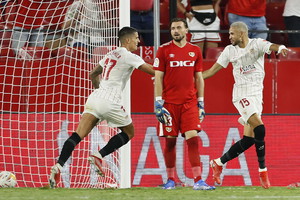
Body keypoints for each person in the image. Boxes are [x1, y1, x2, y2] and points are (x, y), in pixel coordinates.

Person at [48, 26, 155, 188]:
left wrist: (99, 91)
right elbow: (151, 71)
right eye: (136, 38)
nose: (138, 41)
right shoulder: (129, 56)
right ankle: (99, 155)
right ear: (127, 40)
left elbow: (93, 74)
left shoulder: (110, 54)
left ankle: (59, 165)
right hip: (110, 101)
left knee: (77, 135)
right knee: (129, 132)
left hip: (95, 98)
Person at [202, 21, 288, 189]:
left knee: (249, 139)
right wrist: (193, 79)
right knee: (261, 129)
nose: (229, 37)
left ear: (241, 33)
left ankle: (218, 163)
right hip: (241, 94)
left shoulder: (256, 44)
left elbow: (271, 46)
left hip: (257, 95)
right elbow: (211, 71)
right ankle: (263, 170)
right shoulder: (229, 51)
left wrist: (281, 47)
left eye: (232, 34)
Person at [153, 18, 215, 190]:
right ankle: (171, 180)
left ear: (187, 30)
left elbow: (199, 78)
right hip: (169, 104)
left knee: (193, 139)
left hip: (189, 103)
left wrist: (201, 103)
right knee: (170, 142)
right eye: (173, 28)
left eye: (179, 28)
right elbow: (158, 77)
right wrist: (158, 102)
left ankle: (198, 180)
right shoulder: (164, 50)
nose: (175, 31)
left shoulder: (195, 51)